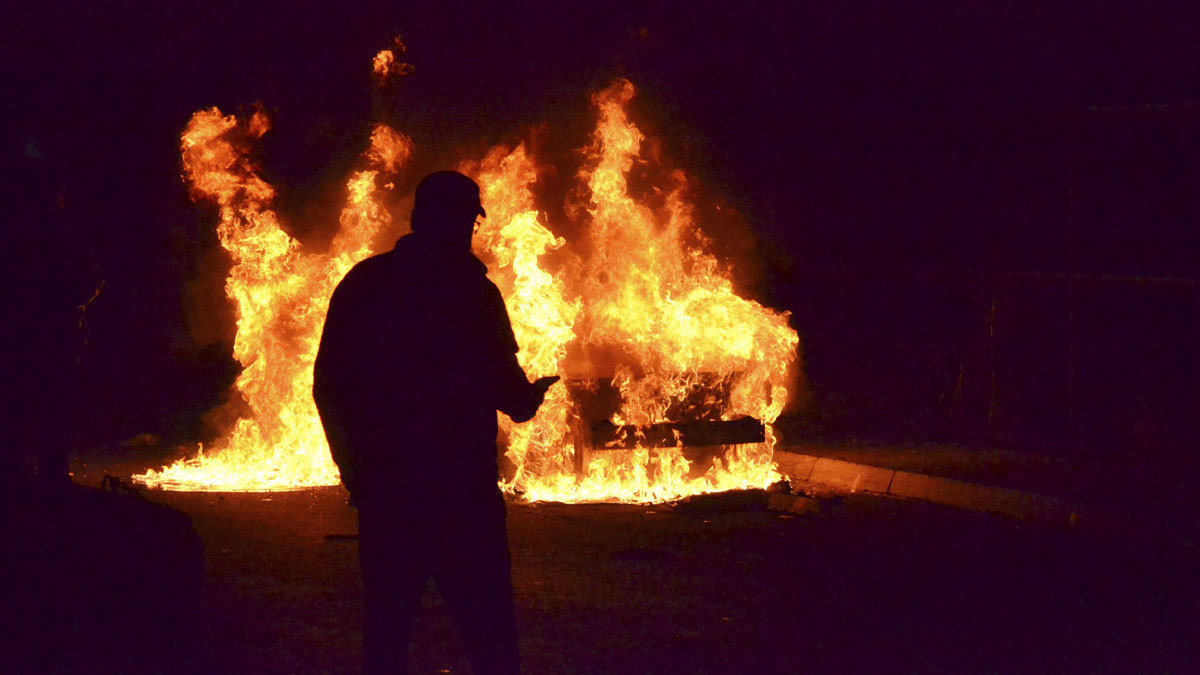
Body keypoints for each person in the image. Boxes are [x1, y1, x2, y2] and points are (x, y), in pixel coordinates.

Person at [313, 170, 558, 675]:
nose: (468, 232)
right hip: (462, 494)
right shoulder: (472, 293)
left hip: (389, 492)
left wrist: (354, 469)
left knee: (387, 632)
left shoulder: (365, 283)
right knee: (489, 633)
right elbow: (509, 394)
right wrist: (531, 397)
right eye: (467, 221)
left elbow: (330, 387)